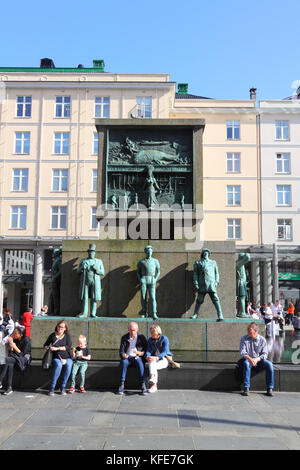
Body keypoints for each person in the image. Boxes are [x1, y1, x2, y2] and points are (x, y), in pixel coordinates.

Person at [238, 322, 274, 397]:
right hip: (248, 359)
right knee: (246, 364)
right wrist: (250, 359)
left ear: (256, 331)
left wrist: (257, 359)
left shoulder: (262, 340)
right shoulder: (244, 338)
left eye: (250, 330)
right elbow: (242, 352)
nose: (248, 332)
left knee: (269, 364)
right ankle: (246, 387)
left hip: (259, 360)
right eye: (247, 330)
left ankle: (269, 388)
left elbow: (265, 354)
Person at [190, 248, 224, 321]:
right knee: (199, 299)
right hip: (202, 283)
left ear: (209, 254)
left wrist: (217, 281)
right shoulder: (198, 262)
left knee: (215, 299)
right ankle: (195, 314)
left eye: (207, 253)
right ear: (202, 254)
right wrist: (196, 283)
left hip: (211, 283)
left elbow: (216, 273)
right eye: (204, 253)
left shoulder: (213, 262)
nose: (205, 254)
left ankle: (220, 314)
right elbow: (195, 273)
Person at [118, 322, 147, 396]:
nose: (132, 332)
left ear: (137, 329)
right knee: (123, 362)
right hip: (128, 357)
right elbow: (121, 351)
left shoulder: (141, 337)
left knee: (140, 362)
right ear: (128, 329)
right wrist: (123, 355)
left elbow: (146, 350)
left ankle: (143, 384)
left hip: (137, 357)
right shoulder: (124, 337)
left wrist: (141, 353)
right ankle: (122, 384)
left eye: (134, 330)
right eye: (130, 330)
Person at [43, 320, 72, 396]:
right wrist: (48, 348)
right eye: (59, 326)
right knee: (58, 365)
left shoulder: (67, 335)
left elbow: (68, 347)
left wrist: (57, 348)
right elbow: (45, 345)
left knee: (69, 365)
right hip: (56, 357)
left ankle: (63, 387)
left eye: (62, 327)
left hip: (67, 357)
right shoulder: (52, 335)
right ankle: (52, 387)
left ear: (65, 328)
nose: (60, 328)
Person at [0, 326, 31, 395]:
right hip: (15, 357)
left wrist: (14, 347)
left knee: (8, 360)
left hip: (23, 359)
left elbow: (23, 354)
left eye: (15, 333)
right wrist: (11, 346)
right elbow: (11, 352)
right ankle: (9, 387)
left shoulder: (26, 340)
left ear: (21, 335)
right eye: (14, 332)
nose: (13, 334)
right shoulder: (15, 339)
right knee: (10, 364)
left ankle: (0, 381)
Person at [77, 244, 105, 318]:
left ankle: (93, 313)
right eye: (90, 252)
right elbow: (78, 271)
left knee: (94, 297)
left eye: (93, 252)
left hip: (95, 281)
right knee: (85, 297)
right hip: (85, 281)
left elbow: (102, 272)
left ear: (95, 253)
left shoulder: (99, 261)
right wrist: (82, 267)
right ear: (88, 253)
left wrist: (97, 269)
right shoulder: (84, 261)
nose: (91, 253)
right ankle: (84, 313)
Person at [146, 324, 173, 393]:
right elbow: (148, 350)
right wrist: (148, 356)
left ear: (157, 332)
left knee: (152, 364)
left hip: (164, 359)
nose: (151, 334)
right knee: (152, 363)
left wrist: (157, 357)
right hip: (154, 359)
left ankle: (153, 382)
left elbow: (165, 351)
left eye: (152, 332)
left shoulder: (164, 339)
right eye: (151, 332)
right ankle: (153, 383)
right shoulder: (150, 340)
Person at [137, 245, 160, 320]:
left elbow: (158, 271)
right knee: (143, 297)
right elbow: (138, 272)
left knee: (153, 297)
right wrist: (140, 280)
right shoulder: (141, 261)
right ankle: (143, 312)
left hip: (152, 279)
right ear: (146, 252)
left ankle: (154, 313)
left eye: (151, 251)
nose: (149, 253)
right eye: (148, 251)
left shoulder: (155, 261)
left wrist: (155, 279)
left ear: (152, 252)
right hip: (144, 278)